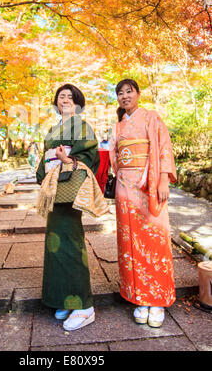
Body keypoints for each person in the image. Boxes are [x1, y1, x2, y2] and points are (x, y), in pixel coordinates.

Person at [109, 79, 177, 328]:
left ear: (138, 94)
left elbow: (163, 148)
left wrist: (162, 180)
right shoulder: (118, 126)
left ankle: (156, 299)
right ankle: (138, 297)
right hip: (125, 188)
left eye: (129, 91)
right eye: (120, 93)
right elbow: (114, 158)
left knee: (154, 239)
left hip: (148, 185)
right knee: (129, 242)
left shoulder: (151, 117)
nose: (124, 96)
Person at [36, 84, 102, 331]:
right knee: (55, 242)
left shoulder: (82, 126)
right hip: (54, 185)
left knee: (71, 242)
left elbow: (90, 157)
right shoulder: (54, 128)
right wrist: (43, 171)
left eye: (70, 97)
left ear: (78, 103)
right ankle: (65, 298)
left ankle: (84, 306)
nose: (65, 99)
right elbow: (45, 156)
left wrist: (68, 160)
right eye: (61, 96)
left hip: (70, 186)